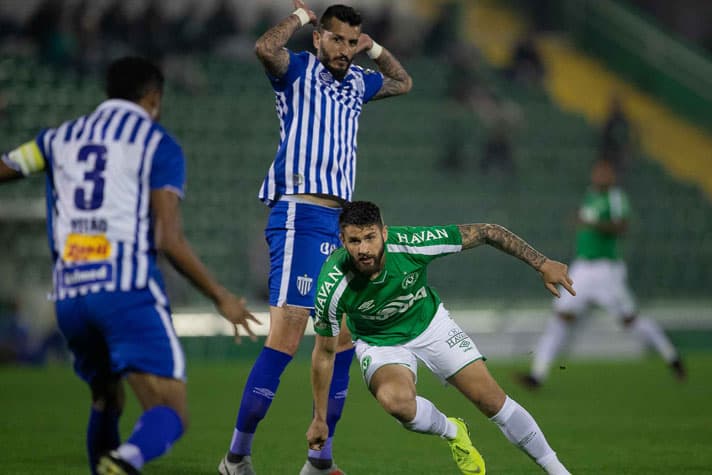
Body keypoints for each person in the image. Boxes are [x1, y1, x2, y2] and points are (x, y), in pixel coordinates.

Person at [0, 56, 258, 475]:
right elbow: (168, 239)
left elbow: (8, 165)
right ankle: (126, 460)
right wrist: (221, 296)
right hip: (124, 291)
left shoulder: (57, 139)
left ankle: (107, 463)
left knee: (107, 398)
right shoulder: (157, 143)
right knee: (172, 411)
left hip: (68, 295)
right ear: (154, 98)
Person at [218, 2, 412, 475]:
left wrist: (376, 49)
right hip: (298, 214)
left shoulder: (360, 84)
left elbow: (404, 82)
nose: (345, 49)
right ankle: (236, 458)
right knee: (286, 337)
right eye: (338, 39)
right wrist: (303, 16)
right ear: (320, 38)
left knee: (343, 338)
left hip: (341, 226)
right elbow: (265, 46)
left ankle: (319, 461)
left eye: (352, 41)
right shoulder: (297, 69)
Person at [307, 201, 575, 475]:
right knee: (396, 403)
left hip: (431, 327)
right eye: (354, 240)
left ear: (384, 234)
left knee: (492, 401)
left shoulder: (412, 244)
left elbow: (487, 232)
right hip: (379, 342)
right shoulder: (332, 284)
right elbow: (325, 353)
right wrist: (319, 418)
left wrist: (542, 263)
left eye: (370, 238)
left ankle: (558, 471)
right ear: (342, 240)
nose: (363, 249)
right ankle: (452, 430)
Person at [518, 160, 685, 389]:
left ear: (612, 176)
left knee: (630, 320)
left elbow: (622, 227)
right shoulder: (590, 195)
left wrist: (590, 222)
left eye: (605, 173)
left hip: (607, 270)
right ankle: (538, 375)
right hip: (583, 268)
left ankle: (672, 357)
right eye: (597, 172)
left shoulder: (615, 198)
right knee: (560, 317)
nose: (599, 176)